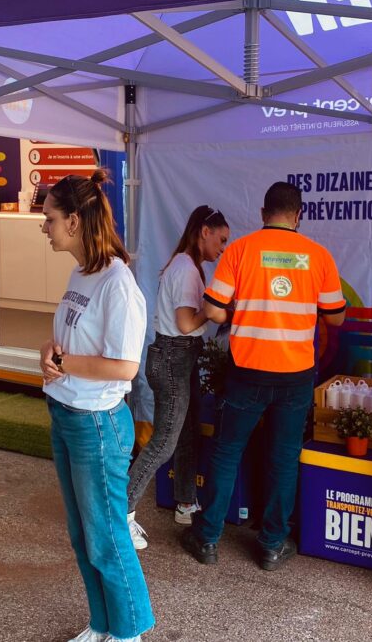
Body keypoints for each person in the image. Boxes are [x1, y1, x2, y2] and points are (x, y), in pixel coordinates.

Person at [180, 182, 347, 571]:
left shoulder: (240, 250)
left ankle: (207, 538)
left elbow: (215, 310)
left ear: (262, 213)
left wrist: (245, 312)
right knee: (284, 457)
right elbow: (336, 316)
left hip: (247, 371)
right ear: (298, 215)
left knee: (226, 451)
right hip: (295, 374)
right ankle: (272, 544)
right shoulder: (318, 255)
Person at [38, 170, 153, 642]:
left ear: (76, 220)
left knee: (106, 537)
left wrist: (64, 360)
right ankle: (102, 623)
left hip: (98, 424)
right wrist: (50, 349)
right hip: (67, 414)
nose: (43, 226)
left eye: (49, 218)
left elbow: (125, 367)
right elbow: (69, 336)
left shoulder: (117, 283)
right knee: (83, 536)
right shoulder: (82, 272)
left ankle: (129, 631)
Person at [126, 205, 230, 550]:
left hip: (176, 357)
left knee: (185, 435)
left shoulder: (186, 266)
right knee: (164, 442)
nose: (223, 248)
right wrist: (217, 310)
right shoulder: (186, 269)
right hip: (174, 357)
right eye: (221, 239)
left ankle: (186, 503)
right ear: (204, 231)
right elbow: (187, 323)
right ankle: (120, 511)